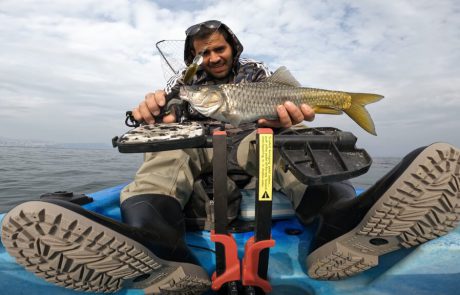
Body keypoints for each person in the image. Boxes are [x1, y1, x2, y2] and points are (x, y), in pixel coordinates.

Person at [1, 20, 459, 295]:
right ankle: (158, 246)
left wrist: (289, 120)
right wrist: (147, 115)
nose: (213, 56)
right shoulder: (180, 92)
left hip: (252, 143)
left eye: (219, 48)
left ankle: (336, 227)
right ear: (194, 59)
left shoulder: (258, 78)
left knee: (279, 144)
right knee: (166, 155)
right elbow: (154, 126)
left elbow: (284, 118)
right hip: (194, 150)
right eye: (203, 53)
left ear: (232, 49)